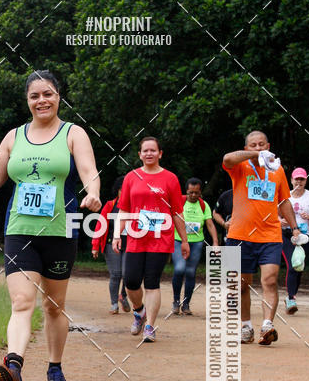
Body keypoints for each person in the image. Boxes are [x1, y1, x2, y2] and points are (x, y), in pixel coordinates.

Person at [0, 69, 101, 381]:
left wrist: (93, 192)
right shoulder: (14, 137)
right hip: (20, 230)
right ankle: (13, 366)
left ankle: (55, 365)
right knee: (21, 300)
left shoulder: (73, 134)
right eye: (34, 96)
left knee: (54, 306)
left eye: (48, 94)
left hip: (61, 230)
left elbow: (88, 170)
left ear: (58, 96)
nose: (41, 100)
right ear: (27, 101)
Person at [223, 131, 300, 345]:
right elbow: (227, 159)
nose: (258, 148)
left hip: (270, 234)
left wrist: (294, 228)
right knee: (240, 285)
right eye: (253, 145)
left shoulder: (277, 170)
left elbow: (284, 201)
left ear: (269, 145)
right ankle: (246, 326)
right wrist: (250, 156)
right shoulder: (240, 167)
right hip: (239, 234)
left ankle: (267, 325)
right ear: (246, 148)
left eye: (261, 144)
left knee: (270, 279)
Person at [113, 137, 189, 342]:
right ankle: (139, 311)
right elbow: (124, 209)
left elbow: (176, 212)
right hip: (136, 237)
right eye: (145, 151)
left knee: (152, 282)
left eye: (153, 150)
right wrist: (116, 234)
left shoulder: (170, 178)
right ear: (139, 154)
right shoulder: (131, 177)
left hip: (160, 238)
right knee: (130, 281)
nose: (149, 154)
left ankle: (150, 327)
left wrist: (184, 240)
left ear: (160, 153)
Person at [171, 178, 218, 315]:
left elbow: (210, 224)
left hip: (196, 242)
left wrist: (215, 242)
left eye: (196, 193)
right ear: (186, 191)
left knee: (191, 272)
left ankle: (186, 304)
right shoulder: (179, 201)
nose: (193, 195)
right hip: (178, 240)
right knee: (179, 269)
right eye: (191, 192)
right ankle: (175, 301)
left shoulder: (204, 205)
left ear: (200, 192)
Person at [91, 177, 130, 314]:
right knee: (116, 274)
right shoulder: (110, 205)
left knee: (129, 274)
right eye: (122, 189)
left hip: (130, 244)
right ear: (117, 190)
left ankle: (123, 296)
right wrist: (95, 245)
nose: (124, 192)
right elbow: (100, 225)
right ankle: (114, 304)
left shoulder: (135, 206)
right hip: (111, 244)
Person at [281, 168, 309, 313]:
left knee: (299, 266)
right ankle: (290, 298)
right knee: (292, 265)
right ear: (291, 180)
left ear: (306, 180)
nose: (299, 182)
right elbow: (274, 215)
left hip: (307, 237)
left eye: (302, 179)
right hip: (288, 236)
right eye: (297, 179)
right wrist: (280, 221)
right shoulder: (285, 196)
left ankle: (291, 295)